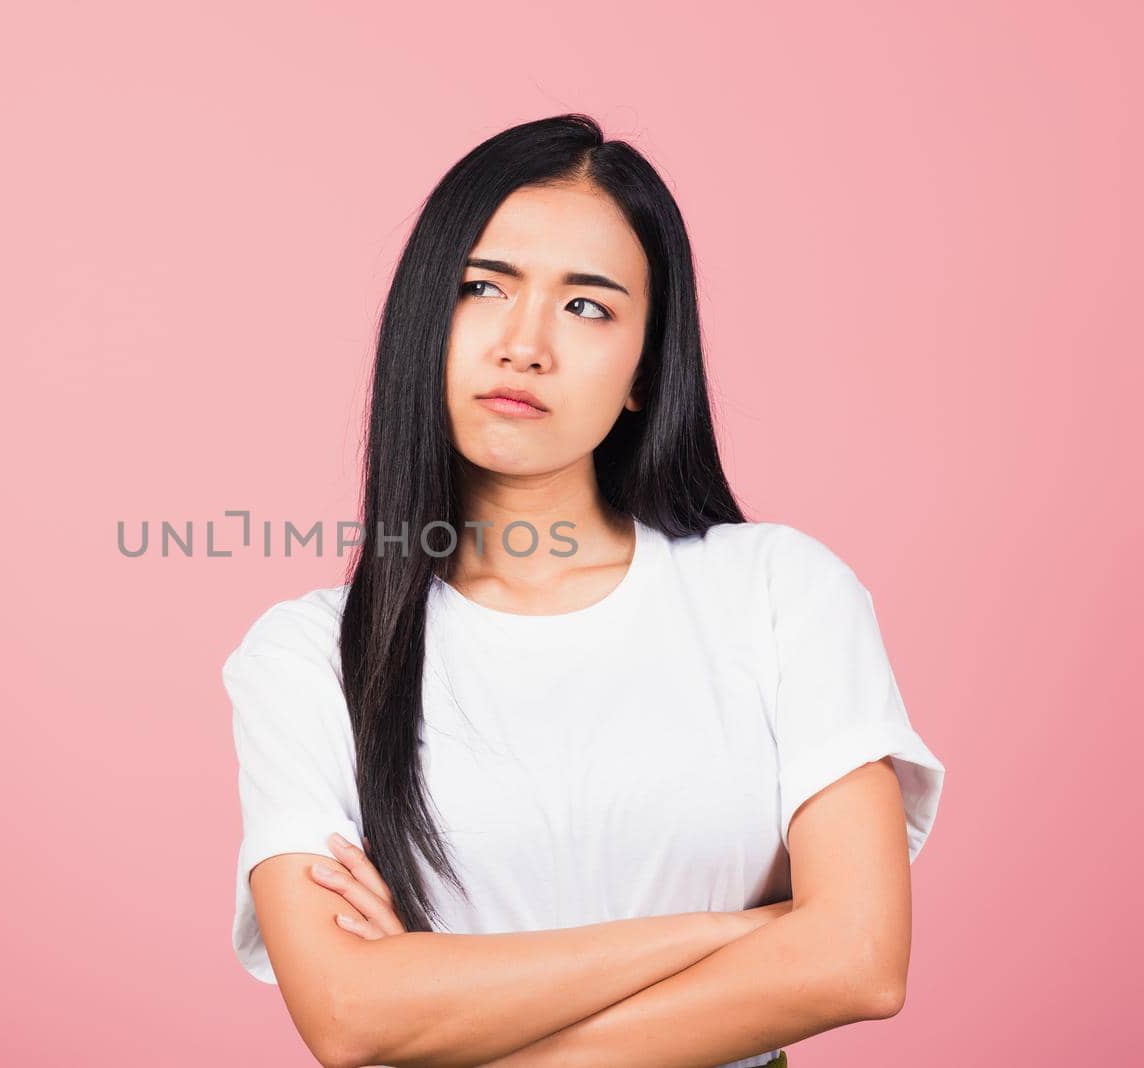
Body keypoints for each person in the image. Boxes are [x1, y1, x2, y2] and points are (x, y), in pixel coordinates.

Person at [223, 113, 945, 1068]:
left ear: (647, 368)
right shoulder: (310, 656)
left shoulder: (779, 592)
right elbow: (350, 1017)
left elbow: (856, 962)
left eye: (588, 307)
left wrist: (445, 1004)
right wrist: (730, 932)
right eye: (482, 287)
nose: (524, 345)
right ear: (421, 319)